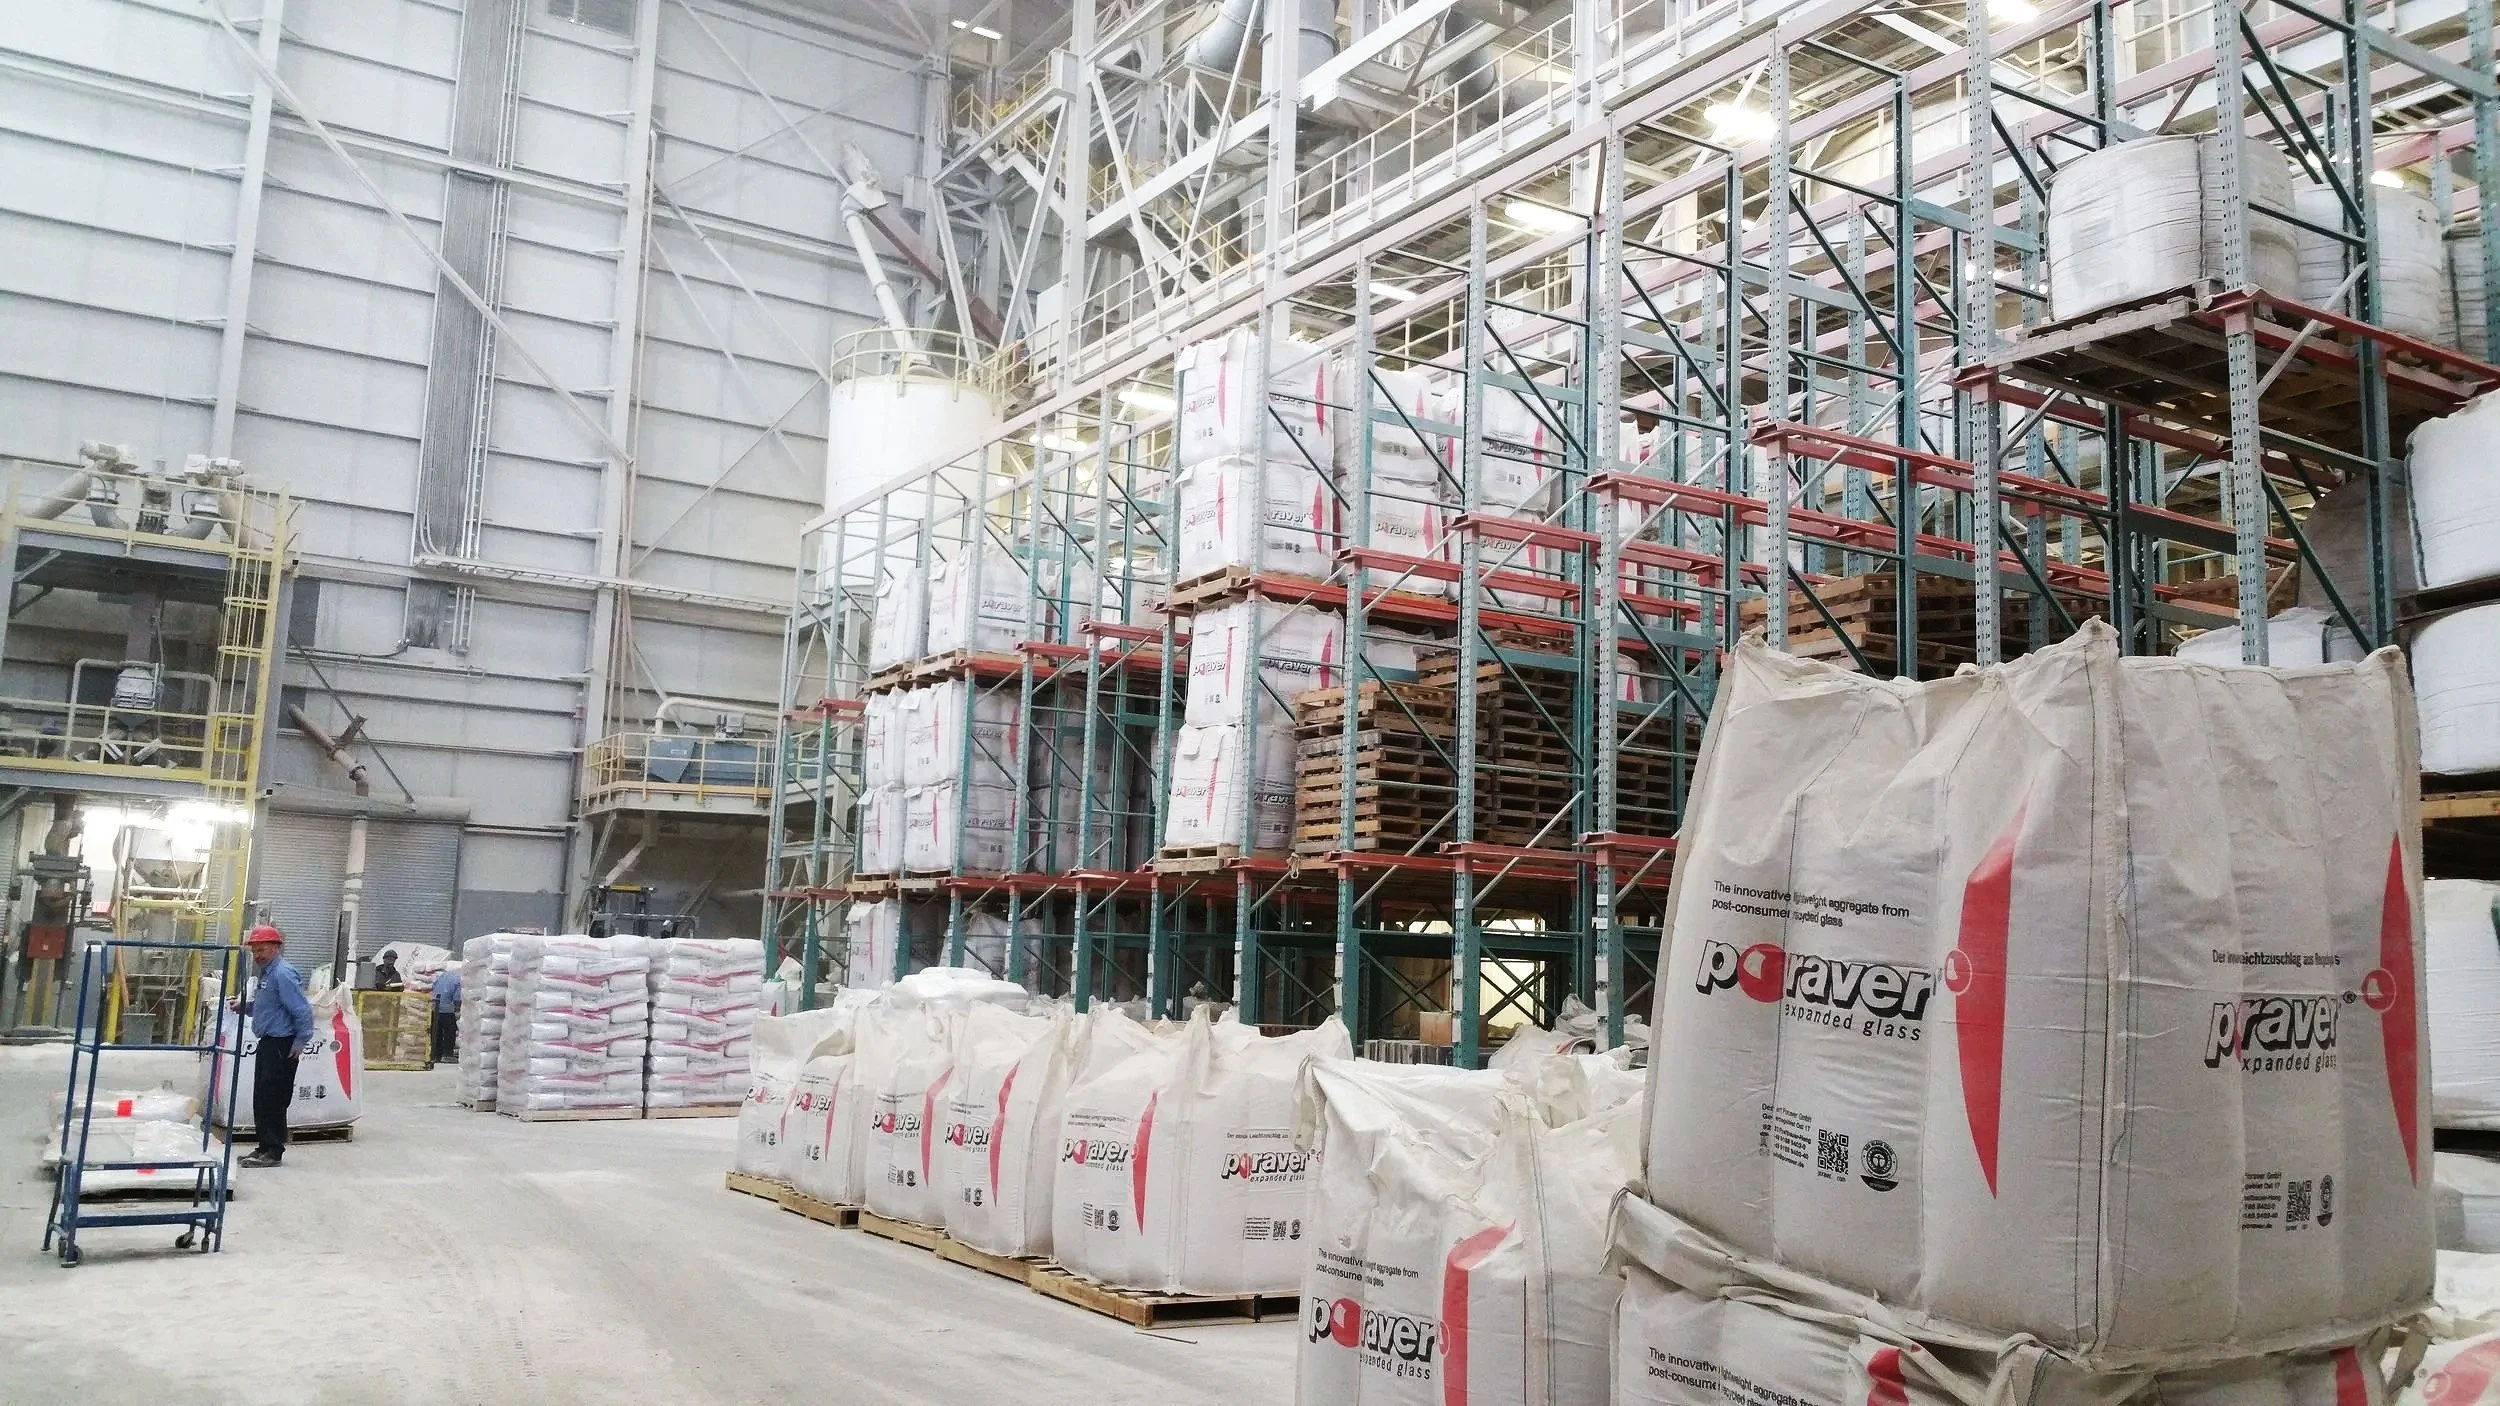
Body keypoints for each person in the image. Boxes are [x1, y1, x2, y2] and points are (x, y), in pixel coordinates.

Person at [238, 925, 310, 1169]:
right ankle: (265, 1145)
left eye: (262, 949)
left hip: (282, 1044)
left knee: (274, 1097)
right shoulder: (267, 974)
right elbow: (268, 1007)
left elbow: (302, 1010)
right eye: (255, 950)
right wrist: (244, 1007)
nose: (258, 955)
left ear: (276, 948)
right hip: (268, 1042)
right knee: (262, 1096)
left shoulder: (283, 974)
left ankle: (274, 1149)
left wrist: (301, 1041)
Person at [431, 962, 463, 1063]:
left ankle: (436, 1055)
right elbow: (457, 999)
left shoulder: (444, 975)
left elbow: (434, 986)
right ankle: (447, 1054)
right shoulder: (459, 979)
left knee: (437, 1032)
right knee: (450, 1032)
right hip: (446, 1009)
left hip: (434, 1007)